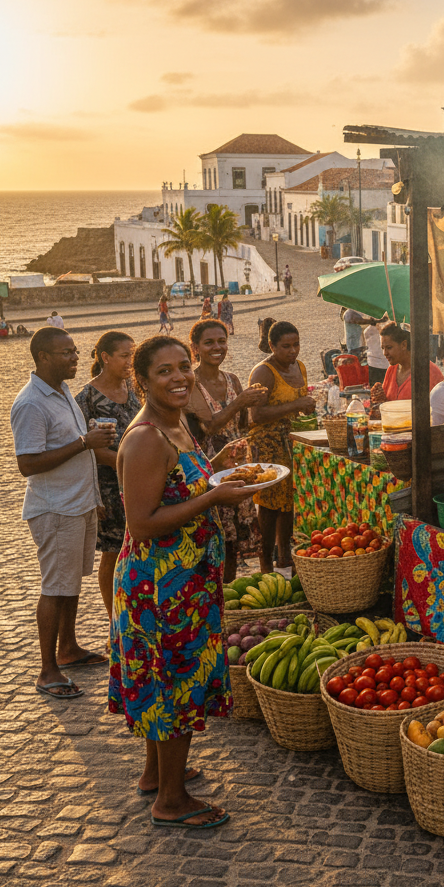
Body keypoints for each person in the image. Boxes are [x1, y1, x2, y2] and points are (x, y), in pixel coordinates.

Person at [111, 335, 257, 828]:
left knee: (166, 678)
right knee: (175, 684)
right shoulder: (147, 437)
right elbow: (143, 522)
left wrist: (218, 471)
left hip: (186, 581)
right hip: (160, 586)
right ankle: (171, 802)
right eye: (164, 372)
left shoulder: (177, 426)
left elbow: (182, 484)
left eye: (183, 368)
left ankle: (157, 773)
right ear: (142, 381)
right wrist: (213, 501)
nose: (179, 378)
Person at [11, 327, 117, 700]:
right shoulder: (30, 404)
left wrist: (95, 496)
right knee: (55, 587)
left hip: (79, 502)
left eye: (74, 351)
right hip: (55, 508)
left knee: (71, 582)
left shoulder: (62, 391)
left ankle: (68, 649)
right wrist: (84, 442)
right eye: (65, 353)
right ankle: (47, 670)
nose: (75, 358)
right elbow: (28, 463)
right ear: (42, 356)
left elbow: (76, 446)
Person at [185, 319, 268, 581]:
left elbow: (242, 424)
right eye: (209, 342)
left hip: (237, 463)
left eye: (221, 341)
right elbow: (209, 425)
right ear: (195, 347)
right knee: (215, 534)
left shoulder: (231, 379)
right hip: (211, 465)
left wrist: (253, 402)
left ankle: (228, 596)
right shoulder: (192, 382)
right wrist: (240, 402)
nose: (217, 347)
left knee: (233, 539)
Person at [75, 331, 140, 622]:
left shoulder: (133, 389)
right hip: (110, 487)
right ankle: (115, 622)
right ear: (105, 358)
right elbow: (87, 447)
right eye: (125, 355)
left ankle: (138, 612)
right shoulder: (87, 398)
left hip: (139, 481)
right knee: (114, 552)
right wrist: (127, 464)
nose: (130, 361)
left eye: (133, 355)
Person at [247, 321, 316, 572]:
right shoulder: (263, 372)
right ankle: (265, 560)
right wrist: (296, 406)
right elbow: (257, 415)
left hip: (292, 441)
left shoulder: (300, 367)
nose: (293, 351)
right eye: (286, 346)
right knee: (269, 504)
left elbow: (299, 403)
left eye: (296, 345)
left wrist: (307, 407)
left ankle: (285, 555)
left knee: (289, 501)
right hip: (267, 444)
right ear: (272, 346)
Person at [370, 322, 444, 409]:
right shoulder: (391, 370)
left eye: (389, 347)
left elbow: (441, 409)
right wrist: (380, 399)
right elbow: (388, 406)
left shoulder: (429, 371)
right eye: (383, 348)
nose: (385, 353)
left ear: (404, 345)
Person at [364, 314, 389, 386]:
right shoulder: (383, 331)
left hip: (374, 363)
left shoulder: (367, 331)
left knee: (375, 387)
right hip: (381, 363)